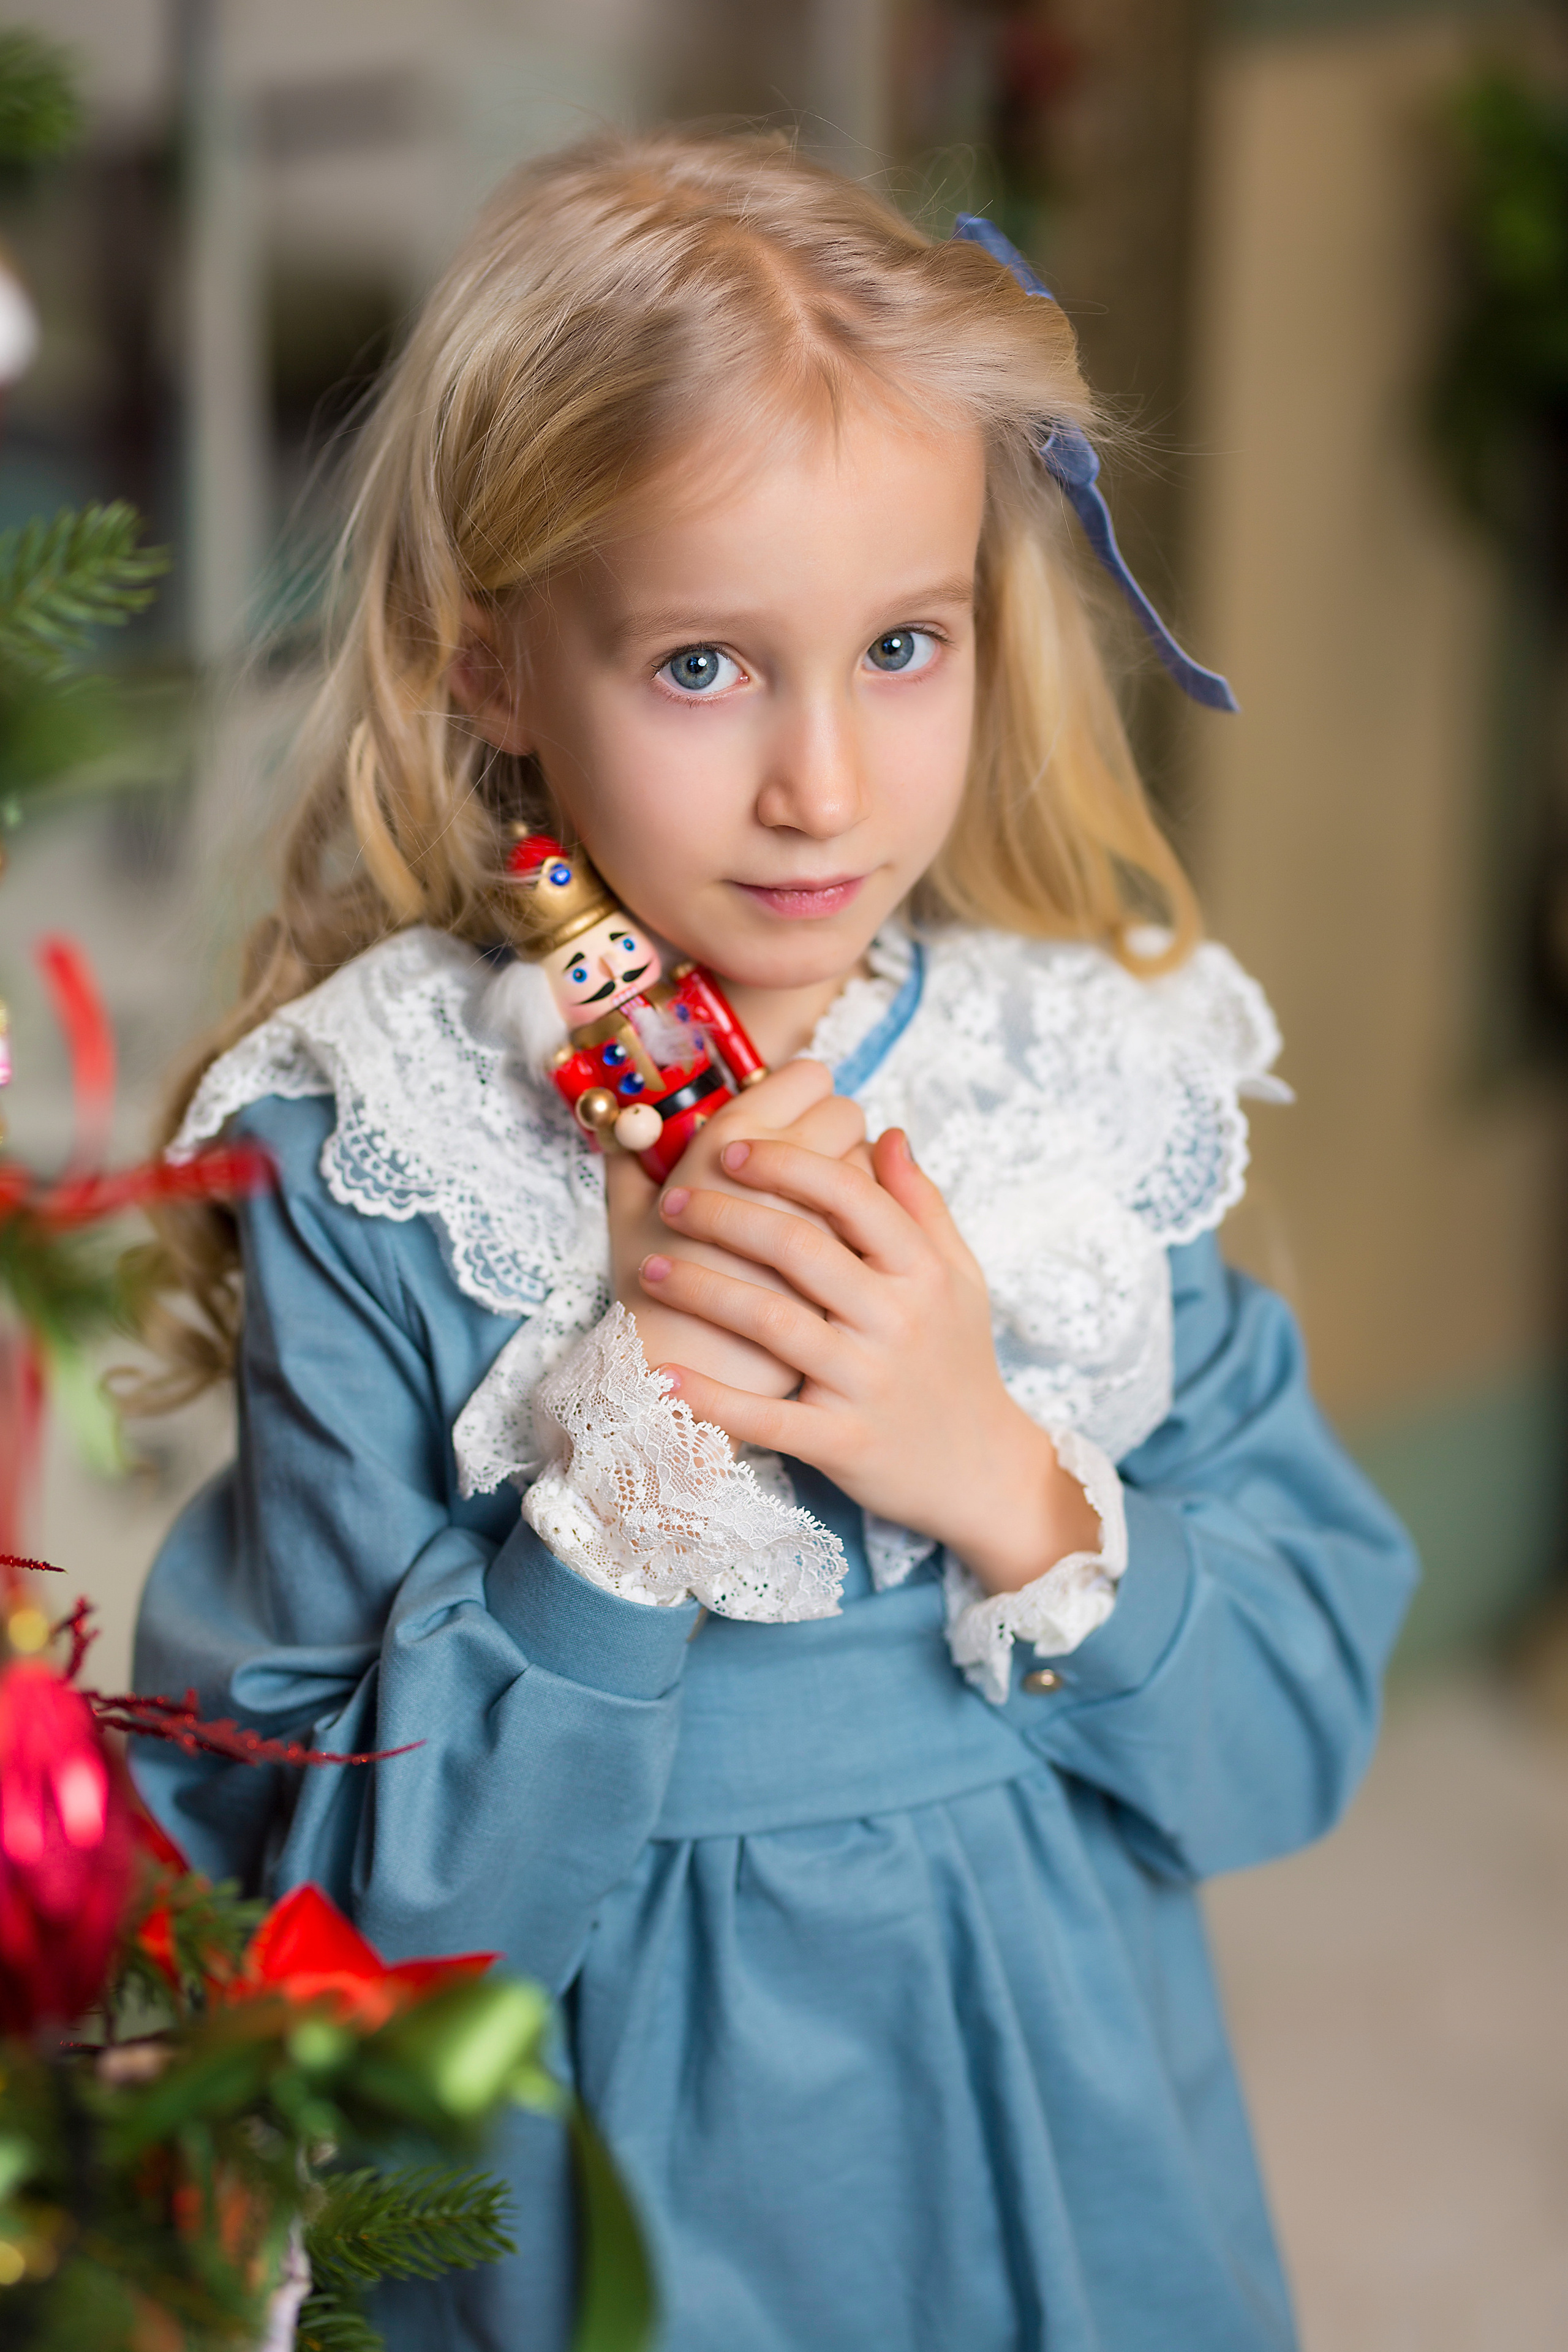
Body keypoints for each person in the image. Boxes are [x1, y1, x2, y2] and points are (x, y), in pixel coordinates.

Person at [132, 128, 1417, 2352]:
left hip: (1042, 2113)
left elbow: (1288, 1737)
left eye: (902, 644)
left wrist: (1002, 1478)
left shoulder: (1079, 1085)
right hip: (580, 2171)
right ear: (495, 668)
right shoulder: (387, 1150)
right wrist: (619, 1484)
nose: (825, 785)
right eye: (709, 666)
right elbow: (329, 1933)